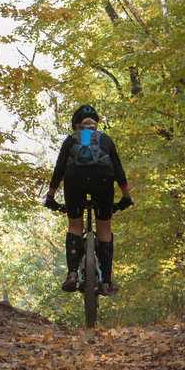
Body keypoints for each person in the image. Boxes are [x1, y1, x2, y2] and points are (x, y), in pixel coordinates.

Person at [44, 104, 133, 296]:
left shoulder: (70, 140)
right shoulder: (105, 139)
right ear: (95, 124)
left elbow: (59, 169)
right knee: (104, 227)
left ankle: (72, 274)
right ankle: (107, 282)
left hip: (74, 179)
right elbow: (119, 171)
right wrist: (126, 197)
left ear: (77, 125)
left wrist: (50, 197)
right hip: (103, 179)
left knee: (75, 226)